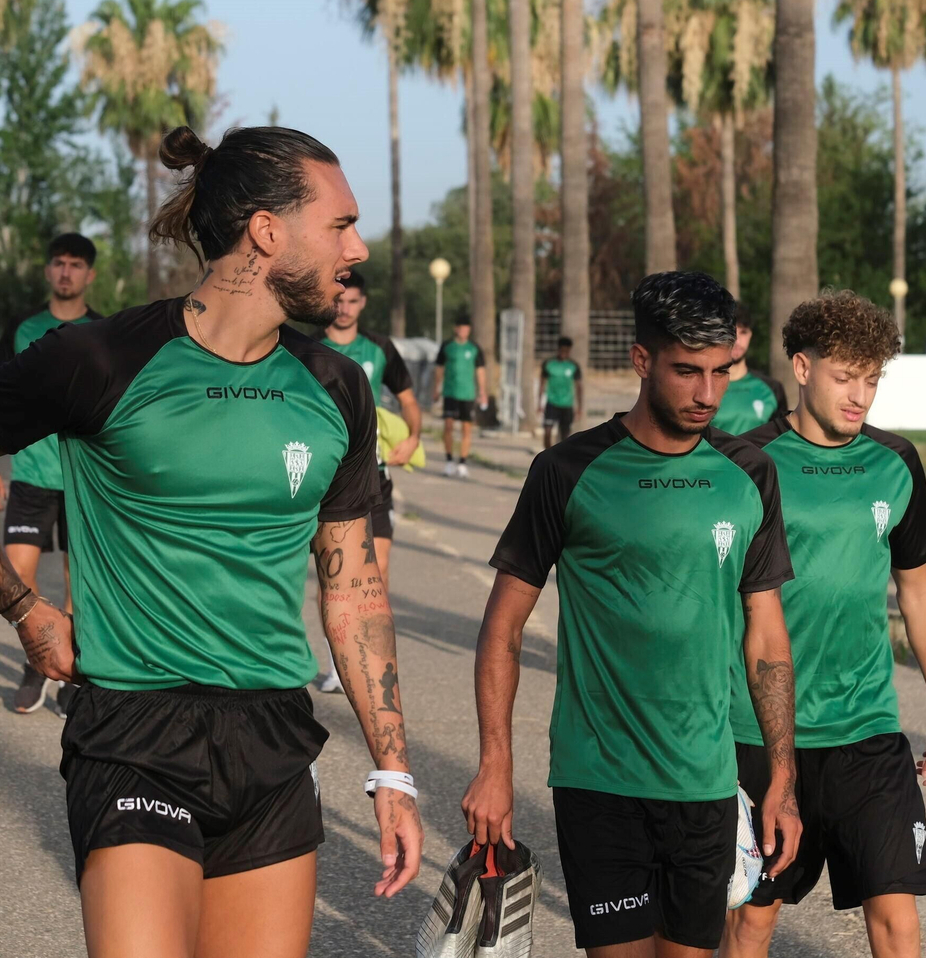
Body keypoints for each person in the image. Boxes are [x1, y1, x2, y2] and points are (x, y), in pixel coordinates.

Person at [0, 124, 422, 958]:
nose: (356, 250)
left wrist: (393, 772)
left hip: (273, 740)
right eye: (340, 225)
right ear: (266, 231)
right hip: (132, 735)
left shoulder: (336, 387)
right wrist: (24, 609)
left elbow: (355, 593)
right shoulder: (101, 357)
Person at [462, 271, 803, 958]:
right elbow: (503, 628)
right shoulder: (567, 470)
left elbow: (767, 639)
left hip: (704, 782)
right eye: (687, 372)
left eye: (720, 372)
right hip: (599, 781)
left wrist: (783, 779)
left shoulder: (749, 474)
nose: (708, 394)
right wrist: (495, 764)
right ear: (642, 361)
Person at [722, 291, 926, 958]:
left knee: (897, 917)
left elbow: (916, 590)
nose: (860, 396)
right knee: (754, 919)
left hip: (867, 728)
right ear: (802, 368)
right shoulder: (747, 462)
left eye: (872, 379)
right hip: (763, 730)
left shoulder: (896, 462)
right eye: (845, 376)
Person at [0, 232, 103, 715]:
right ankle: (36, 658)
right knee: (17, 576)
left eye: (76, 264)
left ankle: (72, 671)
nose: (66, 271)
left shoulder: (103, 330)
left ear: (89, 274)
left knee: (80, 581)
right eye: (59, 263)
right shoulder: (23, 328)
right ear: (49, 270)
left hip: (83, 480)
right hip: (30, 475)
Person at [311, 268, 422, 695]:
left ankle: (371, 661)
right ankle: (336, 664)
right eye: (339, 300)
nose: (344, 308)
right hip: (327, 477)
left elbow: (408, 400)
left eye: (353, 301)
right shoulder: (308, 348)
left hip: (374, 476)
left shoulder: (379, 348)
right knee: (333, 575)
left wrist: (413, 437)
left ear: (363, 303)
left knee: (378, 572)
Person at [711, 302, 788, 435]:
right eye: (731, 332)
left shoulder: (772, 389)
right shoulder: (704, 387)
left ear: (750, 334)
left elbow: (781, 441)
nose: (737, 341)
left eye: (743, 332)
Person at [433, 315, 486, 478]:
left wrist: (482, 392)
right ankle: (449, 461)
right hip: (450, 392)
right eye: (461, 328)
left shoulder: (474, 348)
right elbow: (439, 368)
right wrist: (436, 388)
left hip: (467, 393)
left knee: (466, 429)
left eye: (466, 329)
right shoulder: (447, 346)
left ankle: (462, 463)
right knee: (448, 427)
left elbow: (480, 371)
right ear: (456, 329)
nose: (463, 331)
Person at [538, 336, 582, 449]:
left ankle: (560, 457)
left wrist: (579, 407)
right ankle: (548, 454)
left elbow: (579, 387)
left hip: (567, 404)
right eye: (562, 350)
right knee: (547, 432)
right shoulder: (549, 364)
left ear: (569, 351)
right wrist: (539, 403)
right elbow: (542, 384)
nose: (563, 353)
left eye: (566, 351)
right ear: (558, 349)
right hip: (552, 403)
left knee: (565, 436)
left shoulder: (573, 366)